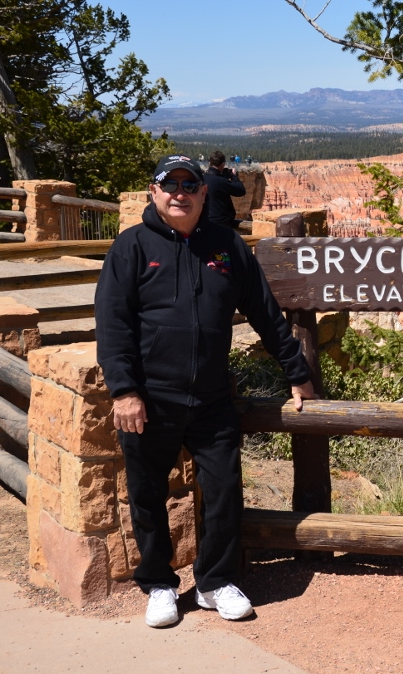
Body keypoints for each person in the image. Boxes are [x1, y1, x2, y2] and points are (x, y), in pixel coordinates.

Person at [95, 154, 316, 629]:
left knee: (223, 492)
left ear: (202, 192)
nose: (179, 192)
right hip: (150, 400)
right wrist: (125, 391)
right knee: (148, 495)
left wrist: (297, 372)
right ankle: (158, 584)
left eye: (188, 184)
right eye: (169, 184)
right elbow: (112, 326)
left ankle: (215, 582)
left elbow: (265, 313)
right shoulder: (131, 247)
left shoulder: (227, 247)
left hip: (213, 398)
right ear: (154, 192)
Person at [203, 150, 246, 230]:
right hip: (221, 224)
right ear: (222, 164)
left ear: (209, 163)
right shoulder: (221, 181)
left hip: (205, 221)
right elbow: (241, 190)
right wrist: (234, 176)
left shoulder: (202, 178)